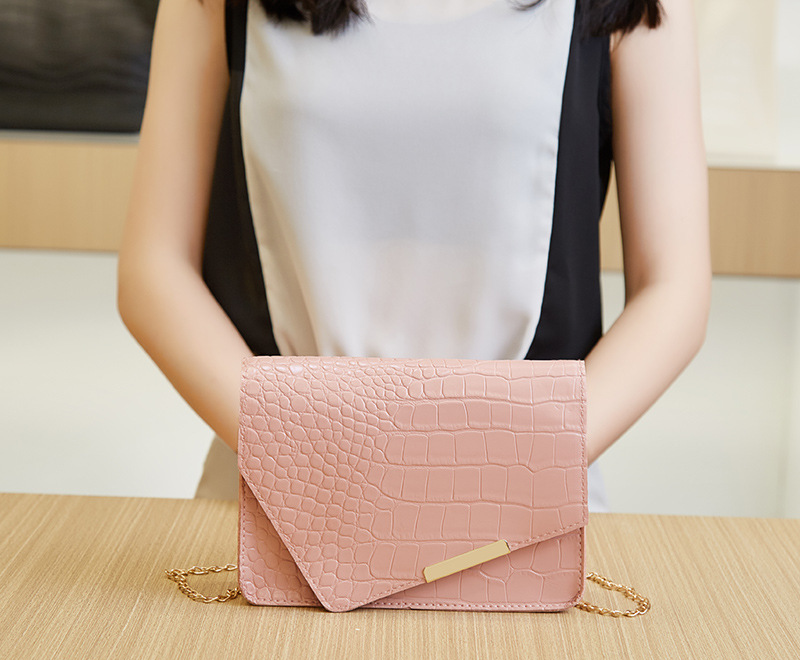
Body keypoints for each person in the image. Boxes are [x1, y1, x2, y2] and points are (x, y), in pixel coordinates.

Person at [117, 0, 712, 511]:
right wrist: (301, 456)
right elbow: (154, 268)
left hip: (526, 506)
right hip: (275, 493)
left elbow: (673, 287)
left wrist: (518, 464)